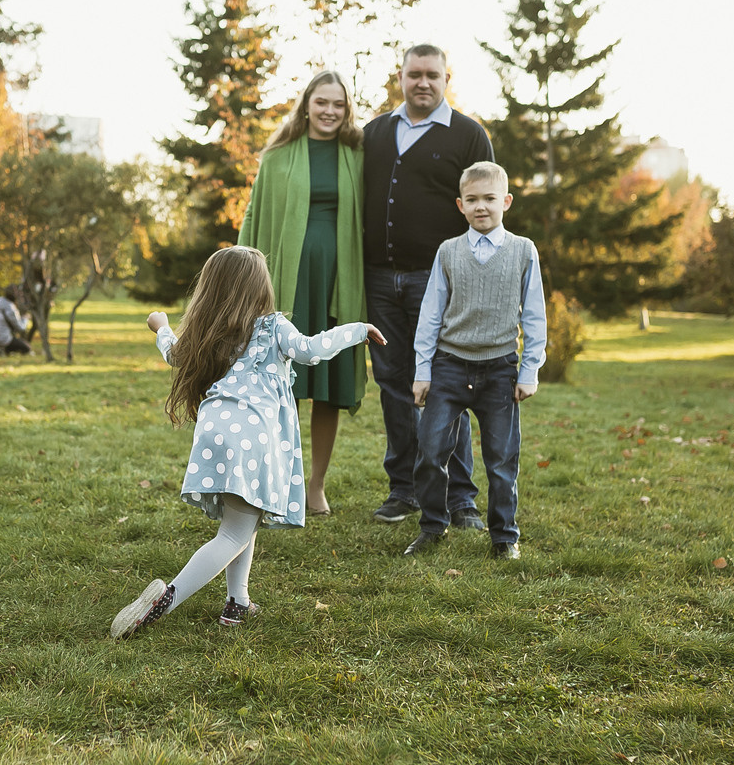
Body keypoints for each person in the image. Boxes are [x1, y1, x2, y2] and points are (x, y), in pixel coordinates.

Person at [111, 246, 385, 639]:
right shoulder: (273, 326)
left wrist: (162, 326)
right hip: (251, 434)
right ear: (260, 288)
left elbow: (174, 354)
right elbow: (309, 351)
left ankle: (237, 601)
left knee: (243, 520)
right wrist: (357, 330)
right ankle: (166, 599)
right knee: (233, 533)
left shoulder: (210, 329)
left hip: (216, 428)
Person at [363, 43, 495, 528]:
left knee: (448, 387)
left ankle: (460, 499)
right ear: (400, 76)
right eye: (414, 73)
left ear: (446, 78)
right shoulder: (374, 133)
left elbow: (487, 211)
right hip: (379, 280)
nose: (423, 82)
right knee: (393, 385)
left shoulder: (467, 135)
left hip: (439, 282)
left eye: (432, 75)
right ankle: (405, 490)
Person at [238, 70, 367, 517]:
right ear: (307, 104)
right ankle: (275, 480)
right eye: (322, 102)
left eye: (338, 104)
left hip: (338, 278)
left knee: (328, 385)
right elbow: (254, 216)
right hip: (287, 279)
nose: (330, 111)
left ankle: (315, 485)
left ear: (347, 109)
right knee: (280, 383)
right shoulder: (277, 157)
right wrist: (244, 280)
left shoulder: (358, 155)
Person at [403, 162, 546, 560]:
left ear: (506, 201)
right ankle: (433, 525)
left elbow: (534, 314)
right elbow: (430, 314)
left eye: (489, 199)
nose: (481, 207)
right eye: (472, 200)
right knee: (430, 452)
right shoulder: (448, 252)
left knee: (501, 459)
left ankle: (504, 537)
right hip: (449, 366)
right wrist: (423, 370)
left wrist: (529, 369)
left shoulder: (523, 251)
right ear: (460, 205)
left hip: (500, 369)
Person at [0, 285, 31, 355]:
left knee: (17, 341)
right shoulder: (11, 309)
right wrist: (25, 319)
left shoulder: (0, 303)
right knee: (27, 348)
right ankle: (3, 349)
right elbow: (21, 327)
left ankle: (1, 349)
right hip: (3, 338)